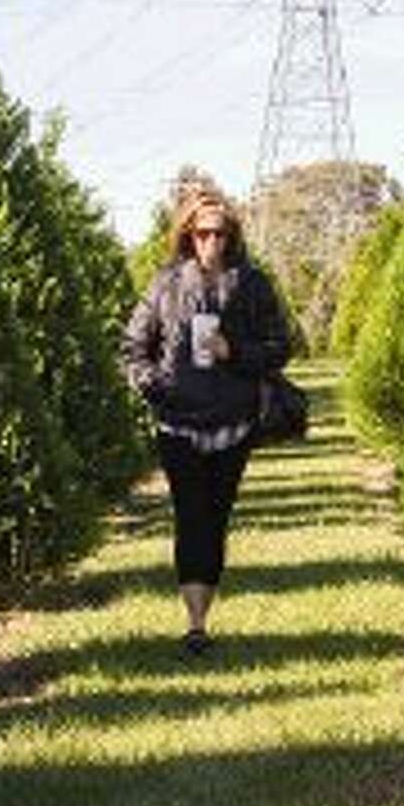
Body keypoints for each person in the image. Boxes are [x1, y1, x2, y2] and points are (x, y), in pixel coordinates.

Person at [123, 181, 290, 654]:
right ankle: (195, 624)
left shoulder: (252, 284)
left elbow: (282, 347)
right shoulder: (165, 284)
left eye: (219, 234)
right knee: (190, 515)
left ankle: (203, 610)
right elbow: (133, 348)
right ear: (187, 235)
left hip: (232, 423)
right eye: (202, 234)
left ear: (232, 236)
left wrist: (233, 351)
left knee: (215, 518)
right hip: (177, 423)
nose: (211, 242)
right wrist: (154, 385)